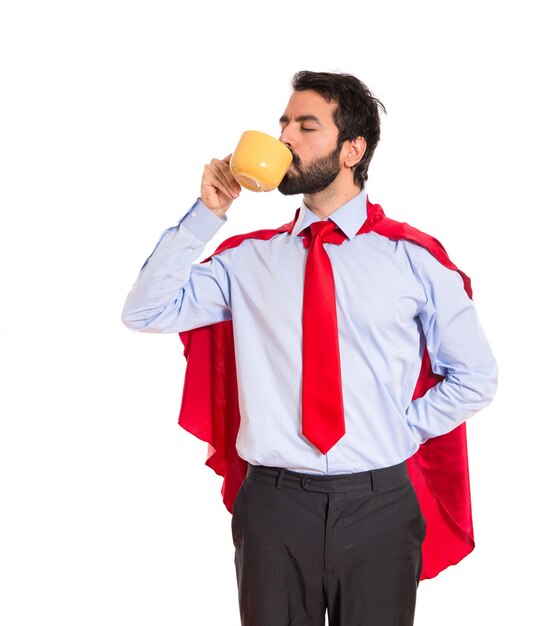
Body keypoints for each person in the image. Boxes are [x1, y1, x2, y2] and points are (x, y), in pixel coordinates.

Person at [121, 71, 498, 626]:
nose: (285, 139)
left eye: (305, 125)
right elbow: (145, 311)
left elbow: (475, 377)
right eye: (283, 124)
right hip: (273, 506)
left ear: (352, 149)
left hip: (381, 505)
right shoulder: (247, 259)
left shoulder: (413, 259)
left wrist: (399, 426)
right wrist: (208, 212)